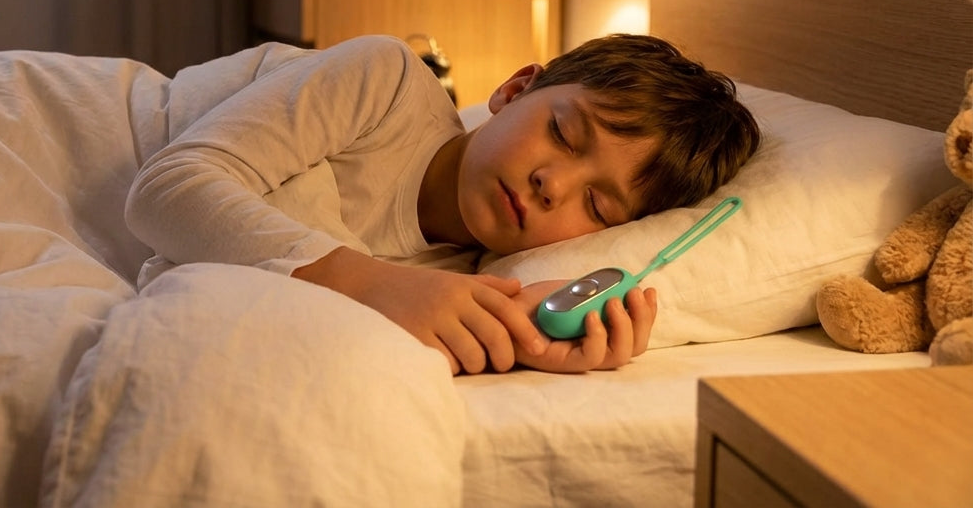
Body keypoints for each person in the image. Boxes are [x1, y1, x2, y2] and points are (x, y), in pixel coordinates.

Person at [124, 33, 759, 376]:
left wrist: (523, 341)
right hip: (49, 128)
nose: (552, 185)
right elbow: (169, 189)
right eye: (563, 133)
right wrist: (372, 284)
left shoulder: (459, 283)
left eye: (596, 205)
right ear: (515, 89)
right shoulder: (387, 81)